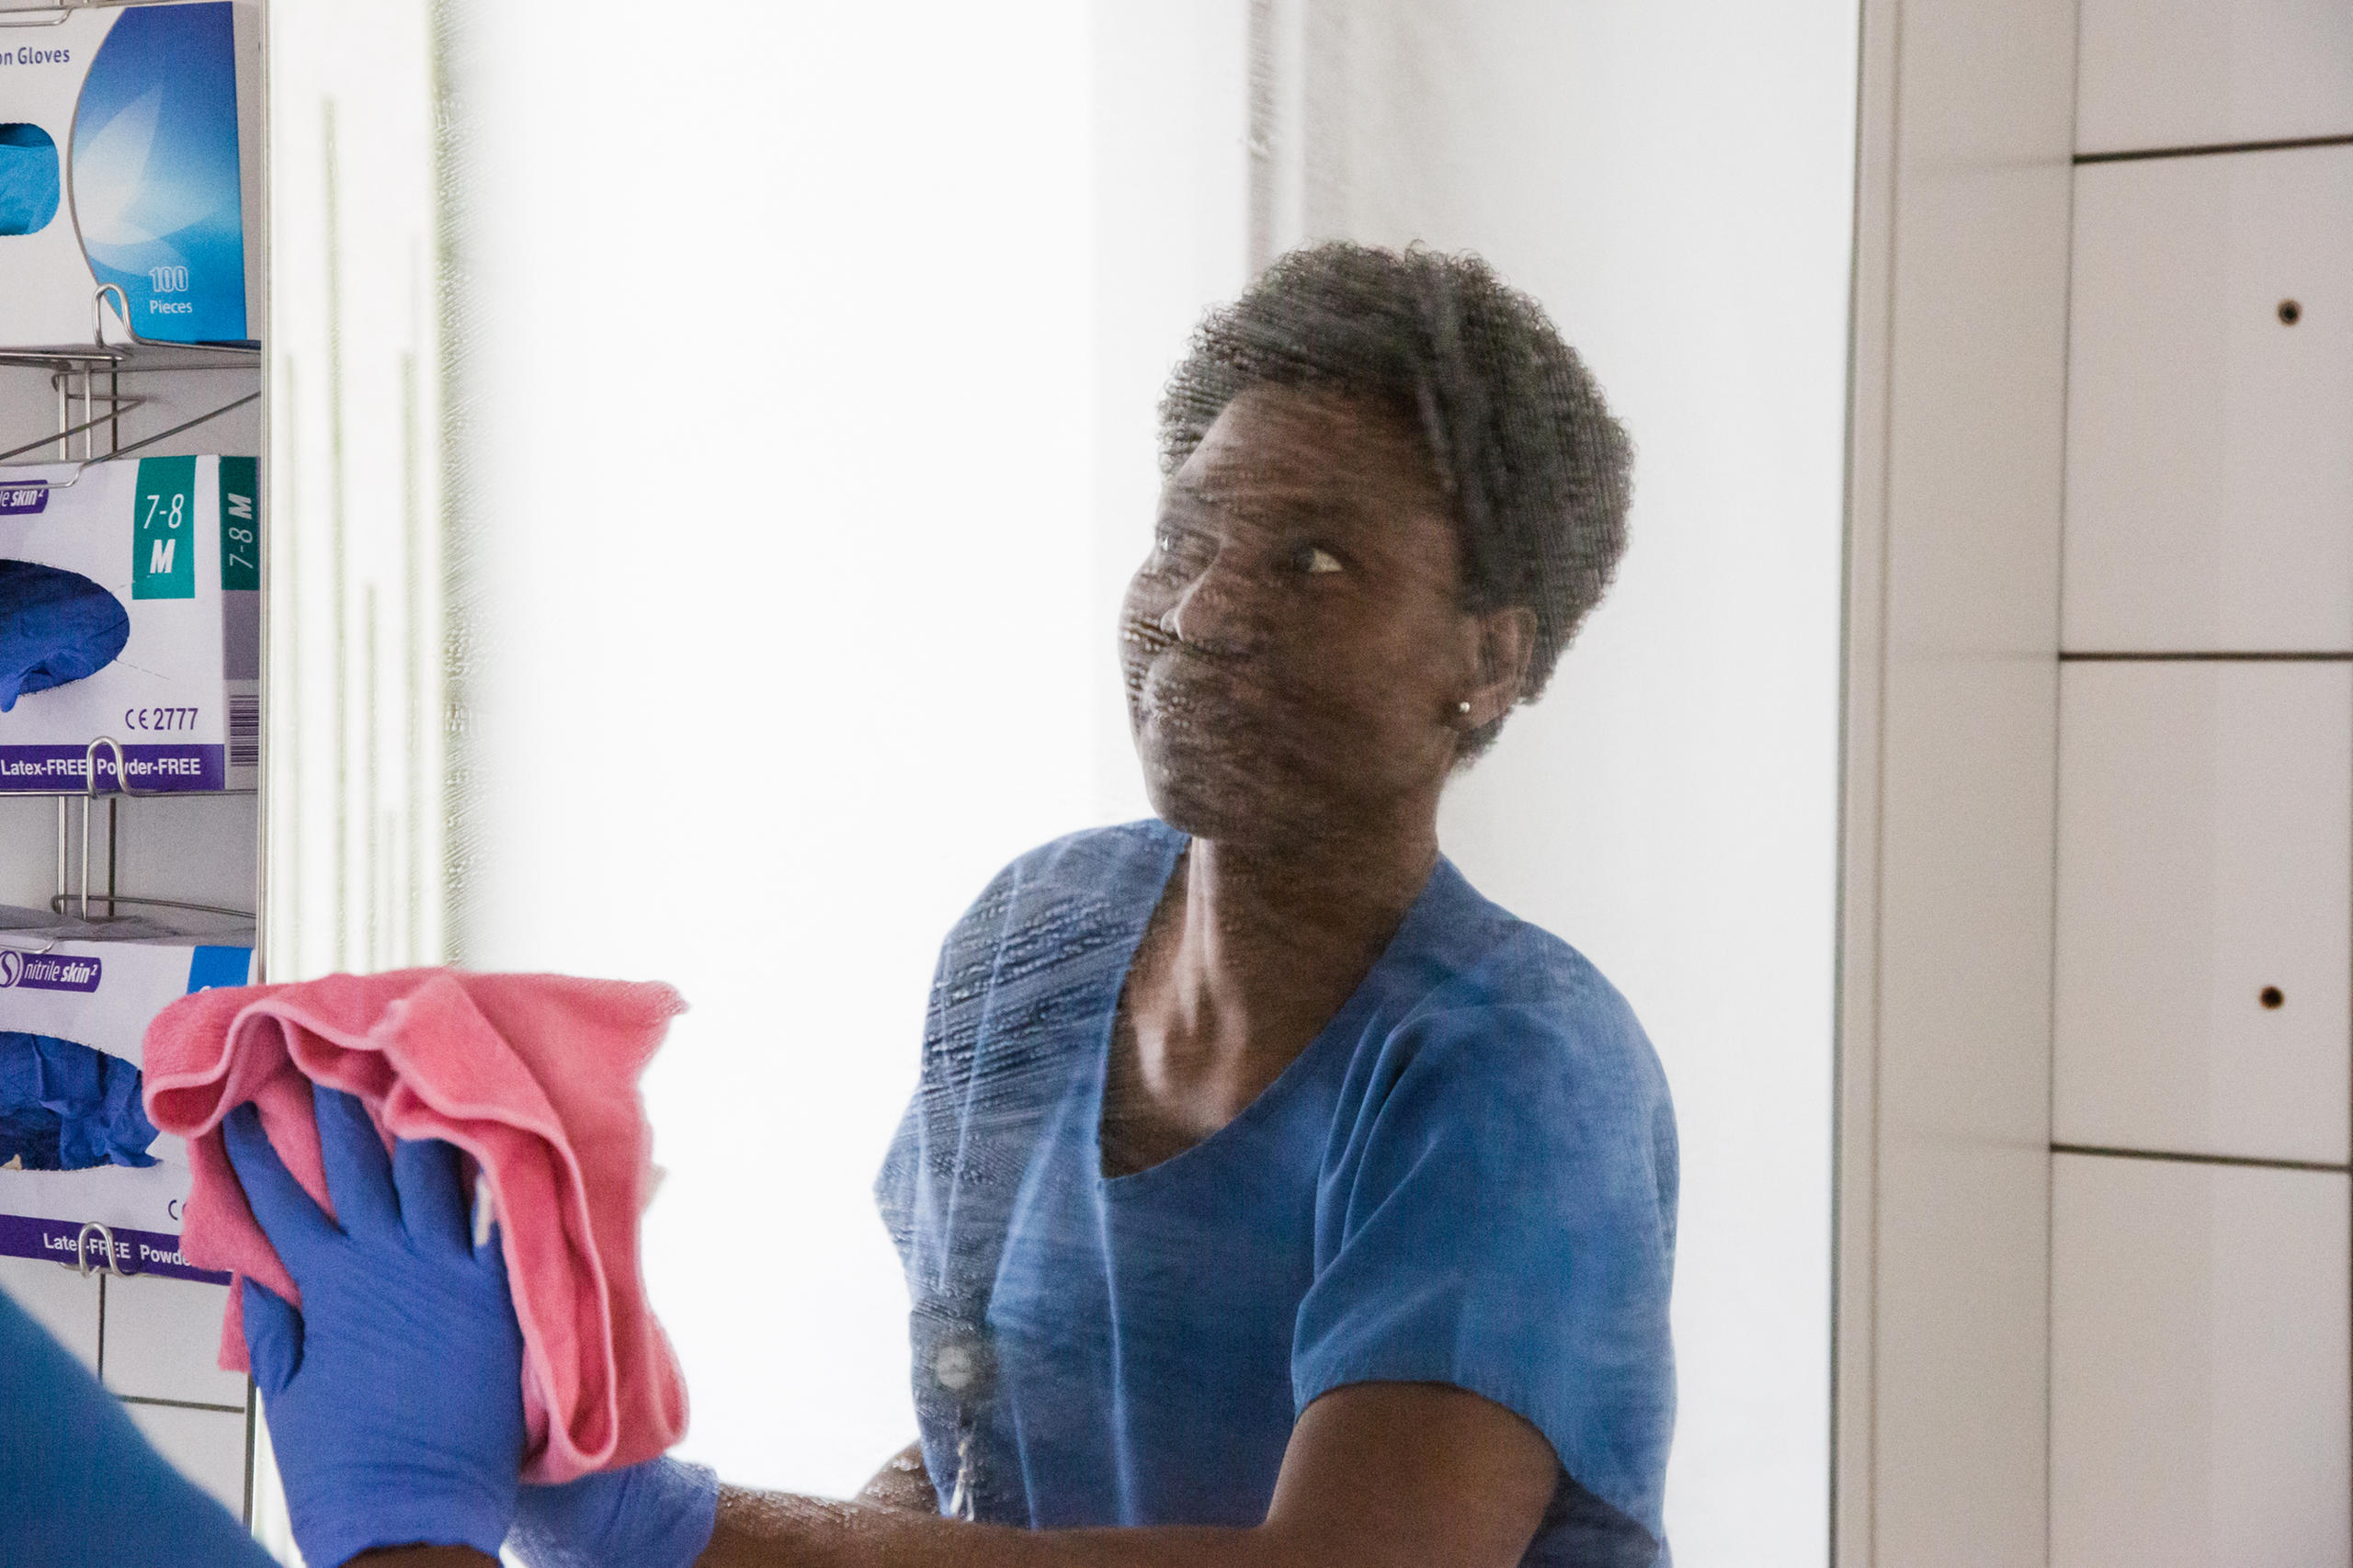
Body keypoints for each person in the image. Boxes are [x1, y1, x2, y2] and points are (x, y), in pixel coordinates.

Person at [224, 242, 1679, 1568]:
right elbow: (979, 1466)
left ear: (1487, 657)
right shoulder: (1035, 946)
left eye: (1312, 561)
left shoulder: (1516, 1073)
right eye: (1185, 538)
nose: (1204, 610)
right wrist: (563, 1426)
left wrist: (671, 1526)